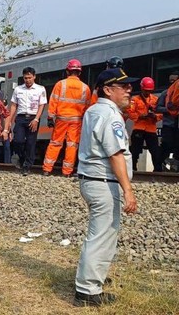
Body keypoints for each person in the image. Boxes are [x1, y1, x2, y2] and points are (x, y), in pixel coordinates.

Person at [74, 67, 138, 307]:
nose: (130, 91)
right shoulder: (110, 115)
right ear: (108, 90)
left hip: (93, 181)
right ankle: (87, 290)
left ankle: (92, 279)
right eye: (124, 87)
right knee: (101, 237)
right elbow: (116, 155)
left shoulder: (94, 111)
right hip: (103, 183)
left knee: (99, 235)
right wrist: (128, 191)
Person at [43, 59, 91, 177]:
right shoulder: (85, 88)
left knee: (55, 143)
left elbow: (53, 100)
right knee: (72, 145)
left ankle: (47, 169)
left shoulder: (61, 84)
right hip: (76, 120)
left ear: (67, 71)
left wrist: (50, 117)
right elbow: (87, 106)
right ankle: (67, 172)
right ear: (79, 73)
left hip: (61, 119)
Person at [8, 67, 47, 175]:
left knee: (31, 143)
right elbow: (14, 105)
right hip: (20, 117)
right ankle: (22, 158)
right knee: (17, 141)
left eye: (30, 78)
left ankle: (27, 166)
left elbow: (41, 105)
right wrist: (10, 120)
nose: (28, 80)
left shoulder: (40, 89)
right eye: (25, 78)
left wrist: (36, 119)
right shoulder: (18, 89)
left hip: (33, 117)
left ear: (34, 77)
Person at [127, 77, 162, 172]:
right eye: (146, 90)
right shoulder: (135, 100)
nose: (147, 92)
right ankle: (132, 169)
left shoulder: (156, 99)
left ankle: (158, 170)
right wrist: (140, 116)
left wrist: (155, 116)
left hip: (151, 128)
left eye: (149, 90)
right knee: (135, 150)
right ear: (142, 88)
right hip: (139, 128)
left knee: (155, 151)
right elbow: (130, 112)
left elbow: (161, 113)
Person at [156, 72, 179, 170]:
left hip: (177, 126)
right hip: (168, 125)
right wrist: (169, 110)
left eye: (174, 81)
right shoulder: (165, 93)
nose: (172, 82)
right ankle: (159, 166)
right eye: (170, 81)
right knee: (166, 145)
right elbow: (158, 108)